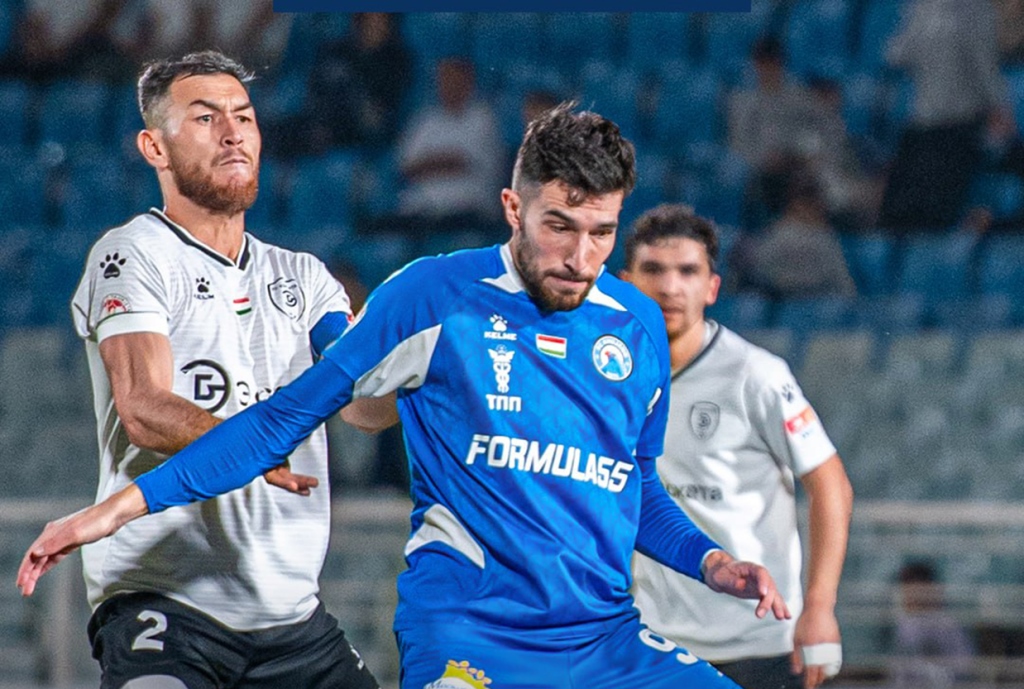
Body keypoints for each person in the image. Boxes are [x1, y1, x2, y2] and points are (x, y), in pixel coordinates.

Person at [19, 102, 791, 688]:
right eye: (560, 226)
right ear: (513, 208)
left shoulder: (638, 325)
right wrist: (120, 507)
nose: (581, 256)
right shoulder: (433, 297)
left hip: (605, 640)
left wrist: (710, 561)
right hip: (472, 639)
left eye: (601, 232)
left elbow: (635, 482)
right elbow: (282, 419)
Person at [18, 50, 389, 689]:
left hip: (294, 622)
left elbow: (365, 407)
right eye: (206, 118)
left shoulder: (305, 277)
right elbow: (143, 407)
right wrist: (250, 449)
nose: (232, 132)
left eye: (244, 117)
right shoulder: (131, 254)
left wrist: (417, 366)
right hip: (168, 606)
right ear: (154, 147)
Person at [620, 204, 854, 689]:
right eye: (654, 269)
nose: (670, 287)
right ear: (625, 283)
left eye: (688, 271)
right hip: (655, 642)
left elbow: (830, 484)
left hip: (760, 643)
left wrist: (819, 607)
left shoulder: (755, 375)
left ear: (712, 287)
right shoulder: (608, 378)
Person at [889, 561, 974, 689]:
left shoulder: (947, 623)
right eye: (907, 590)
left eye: (917, 590)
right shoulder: (897, 623)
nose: (911, 596)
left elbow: (966, 665)